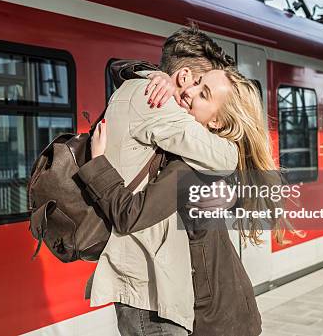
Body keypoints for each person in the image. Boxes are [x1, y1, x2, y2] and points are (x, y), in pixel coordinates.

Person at [79, 65, 285, 336]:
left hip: (215, 318)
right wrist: (154, 74)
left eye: (203, 93)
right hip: (228, 308)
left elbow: (131, 216)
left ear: (216, 122)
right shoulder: (205, 157)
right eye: (197, 82)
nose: (188, 90)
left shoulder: (193, 167)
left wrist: (98, 165)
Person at [85, 26, 238, 336]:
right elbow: (226, 158)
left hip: (151, 282)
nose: (195, 95)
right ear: (184, 78)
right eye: (203, 87)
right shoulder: (154, 99)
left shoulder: (139, 89)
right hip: (149, 288)